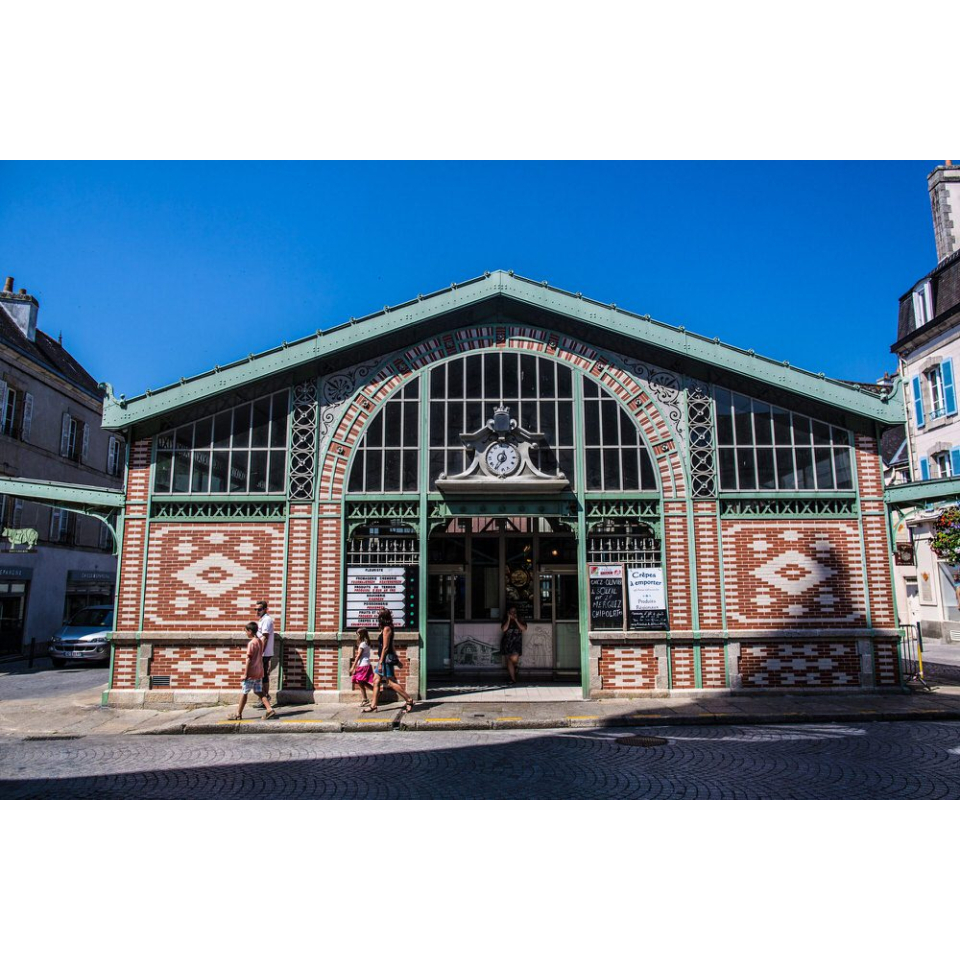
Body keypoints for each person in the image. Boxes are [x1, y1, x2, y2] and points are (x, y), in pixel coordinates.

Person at [364, 608, 415, 713]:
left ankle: (409, 700)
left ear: (382, 618)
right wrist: (396, 658)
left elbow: (386, 647)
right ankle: (373, 705)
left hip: (385, 659)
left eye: (379, 616)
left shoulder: (387, 629)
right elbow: (391, 645)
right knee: (376, 680)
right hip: (383, 658)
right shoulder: (384, 629)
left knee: (390, 682)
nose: (378, 618)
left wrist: (381, 662)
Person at [228, 621, 277, 720]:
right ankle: (269, 709)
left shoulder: (251, 643)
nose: (245, 633)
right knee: (259, 691)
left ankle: (238, 714)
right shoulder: (259, 641)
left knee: (244, 692)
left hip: (251, 672)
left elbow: (249, 659)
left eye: (246, 631)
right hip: (259, 671)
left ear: (250, 631)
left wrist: (245, 674)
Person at [255, 600, 275, 704]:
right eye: (256, 609)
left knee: (261, 674)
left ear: (265, 609)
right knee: (263, 674)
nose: (257, 611)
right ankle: (264, 697)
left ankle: (265, 697)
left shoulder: (266, 620)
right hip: (264, 652)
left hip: (264, 652)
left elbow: (265, 637)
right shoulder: (263, 619)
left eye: (259, 609)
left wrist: (260, 651)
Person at [500, 606, 526, 684]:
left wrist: (516, 620)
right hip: (507, 643)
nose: (513, 613)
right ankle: (513, 679)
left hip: (516, 643)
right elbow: (504, 629)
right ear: (508, 612)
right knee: (509, 661)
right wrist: (508, 619)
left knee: (513, 660)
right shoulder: (505, 620)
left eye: (514, 611)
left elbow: (524, 629)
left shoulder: (520, 619)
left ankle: (514, 670)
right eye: (511, 611)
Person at [351, 628, 376, 707]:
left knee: (361, 681)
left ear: (361, 634)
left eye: (358, 634)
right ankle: (366, 698)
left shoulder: (362, 644)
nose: (357, 636)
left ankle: (370, 695)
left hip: (363, 665)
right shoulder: (366, 642)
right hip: (365, 664)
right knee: (361, 682)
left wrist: (353, 666)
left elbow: (358, 656)